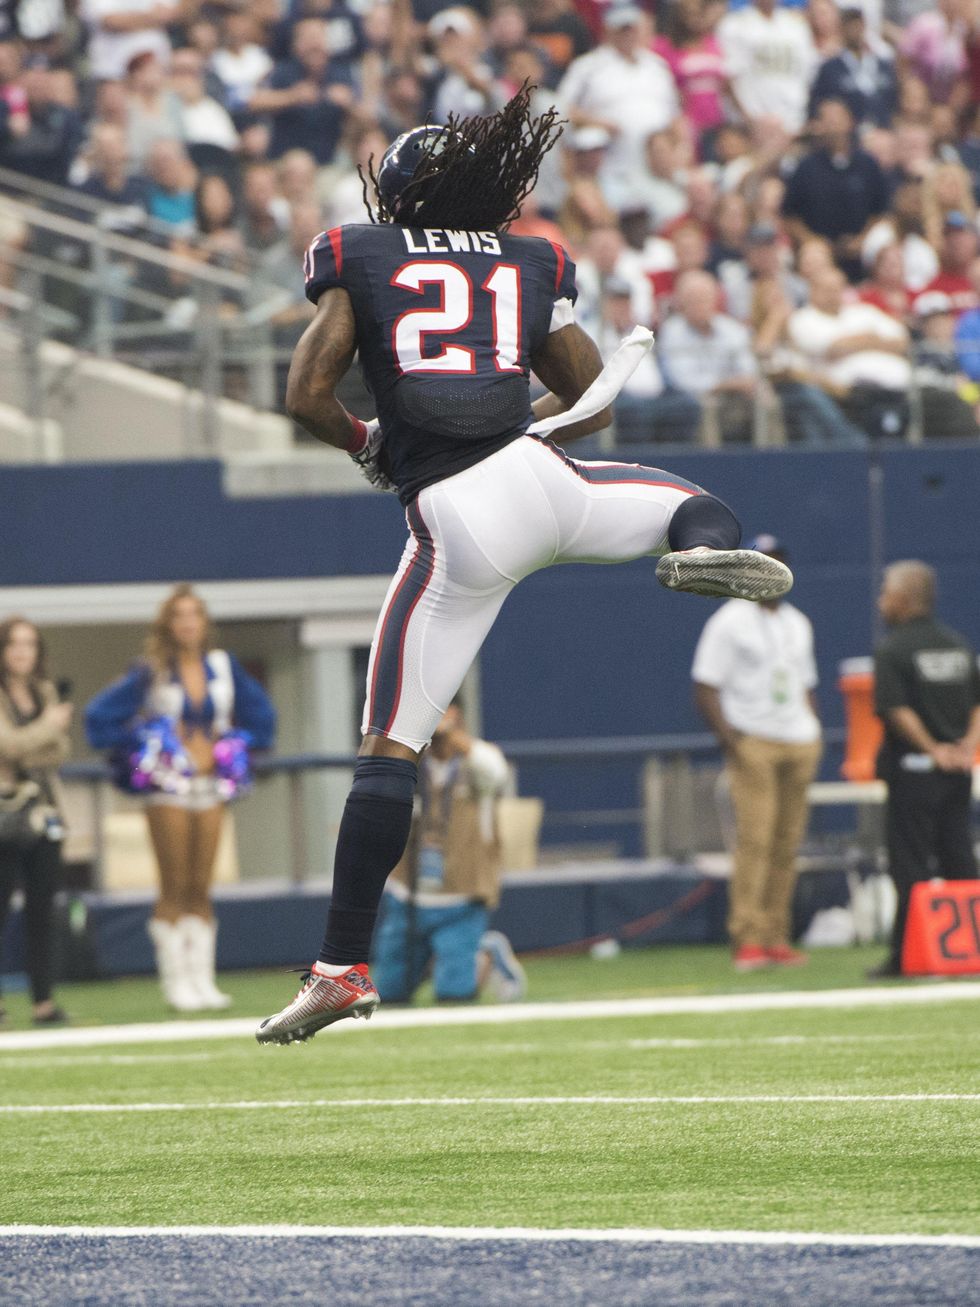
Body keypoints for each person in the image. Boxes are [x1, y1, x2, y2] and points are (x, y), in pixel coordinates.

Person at [255, 88, 792, 1046]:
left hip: (456, 517)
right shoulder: (529, 257)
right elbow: (591, 399)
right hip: (545, 479)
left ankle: (339, 968)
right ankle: (705, 552)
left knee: (389, 751)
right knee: (685, 503)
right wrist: (520, 398)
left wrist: (367, 441)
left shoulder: (363, 252)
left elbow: (305, 392)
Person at [85, 585, 276, 1013]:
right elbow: (99, 717)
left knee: (201, 885)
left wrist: (232, 746)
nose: (188, 622)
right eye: (179, 615)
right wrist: (149, 743)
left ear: (205, 622)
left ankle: (202, 980)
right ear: (167, 624)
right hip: (167, 788)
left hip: (210, 785)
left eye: (195, 614)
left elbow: (263, 717)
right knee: (172, 884)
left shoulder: (224, 667)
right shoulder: (149, 671)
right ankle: (176, 982)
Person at [691, 536, 823, 971]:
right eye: (765, 564)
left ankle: (776, 936)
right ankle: (747, 938)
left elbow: (806, 686)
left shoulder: (799, 622)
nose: (772, 573)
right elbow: (706, 685)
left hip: (799, 740)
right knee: (756, 841)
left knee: (788, 845)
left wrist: (814, 732)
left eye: (779, 564)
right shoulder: (729, 621)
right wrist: (734, 742)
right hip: (755, 743)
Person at [868, 562, 980, 979]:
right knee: (960, 858)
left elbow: (896, 710)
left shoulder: (893, 650)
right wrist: (966, 747)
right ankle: (969, 948)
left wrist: (933, 749)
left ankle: (906, 956)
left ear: (903, 598)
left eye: (885, 593)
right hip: (957, 770)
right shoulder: (957, 645)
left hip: (915, 772)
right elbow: (976, 704)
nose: (881, 601)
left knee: (910, 864)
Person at [372, 702, 526, 1005]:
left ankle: (482, 955)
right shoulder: (412, 761)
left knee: (454, 995)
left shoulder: (478, 759)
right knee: (389, 994)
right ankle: (449, 957)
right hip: (409, 894)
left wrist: (453, 737)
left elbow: (496, 774)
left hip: (461, 896)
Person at [0, 617, 72, 1028]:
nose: (22, 651)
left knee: (43, 908)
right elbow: (7, 745)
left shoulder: (44, 692)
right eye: (13, 643)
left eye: (29, 643)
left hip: (46, 812)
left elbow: (58, 751)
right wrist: (46, 728)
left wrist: (29, 748)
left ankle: (43, 1000)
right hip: (6, 813)